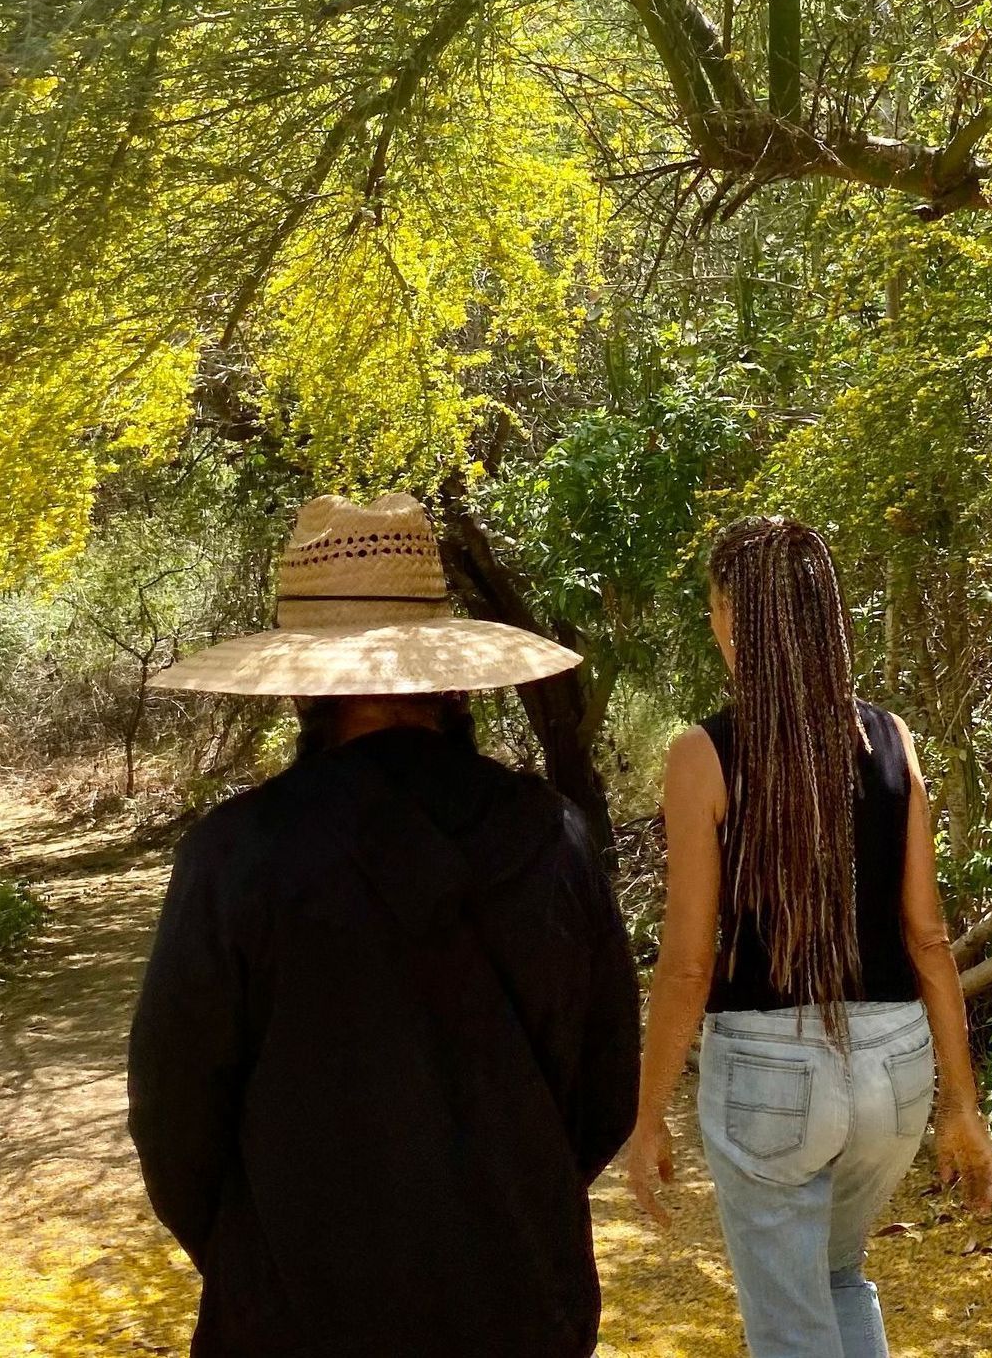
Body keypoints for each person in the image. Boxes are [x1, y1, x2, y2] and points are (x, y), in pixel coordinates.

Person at [128, 492, 640, 1358]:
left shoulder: (238, 853)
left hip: (290, 1312)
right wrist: (513, 1204)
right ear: (446, 679)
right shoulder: (550, 835)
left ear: (305, 690)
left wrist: (255, 1250)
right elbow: (603, 1091)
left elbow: (174, 1112)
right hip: (520, 1303)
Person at [627, 515, 992, 1358]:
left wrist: (648, 1113)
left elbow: (687, 965)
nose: (715, 626)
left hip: (770, 1075)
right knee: (839, 1281)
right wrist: (961, 1105)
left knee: (791, 1325)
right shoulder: (890, 738)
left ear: (736, 619)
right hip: (896, 1071)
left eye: (716, 608)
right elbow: (928, 937)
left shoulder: (703, 754)